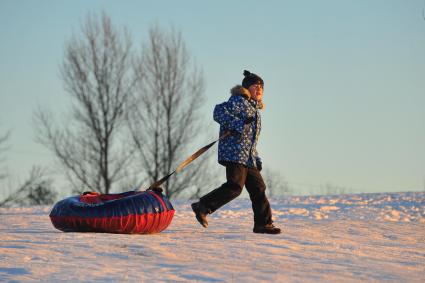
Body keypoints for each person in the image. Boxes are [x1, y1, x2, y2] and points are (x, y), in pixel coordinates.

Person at [191, 70, 281, 234]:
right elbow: (218, 111)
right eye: (255, 86)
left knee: (259, 188)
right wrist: (237, 123)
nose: (259, 89)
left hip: (248, 158)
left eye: (261, 87)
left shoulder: (254, 111)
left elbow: (250, 139)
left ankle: (263, 224)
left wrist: (256, 157)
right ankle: (203, 206)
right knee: (235, 187)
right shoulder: (239, 101)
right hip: (234, 153)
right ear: (247, 89)